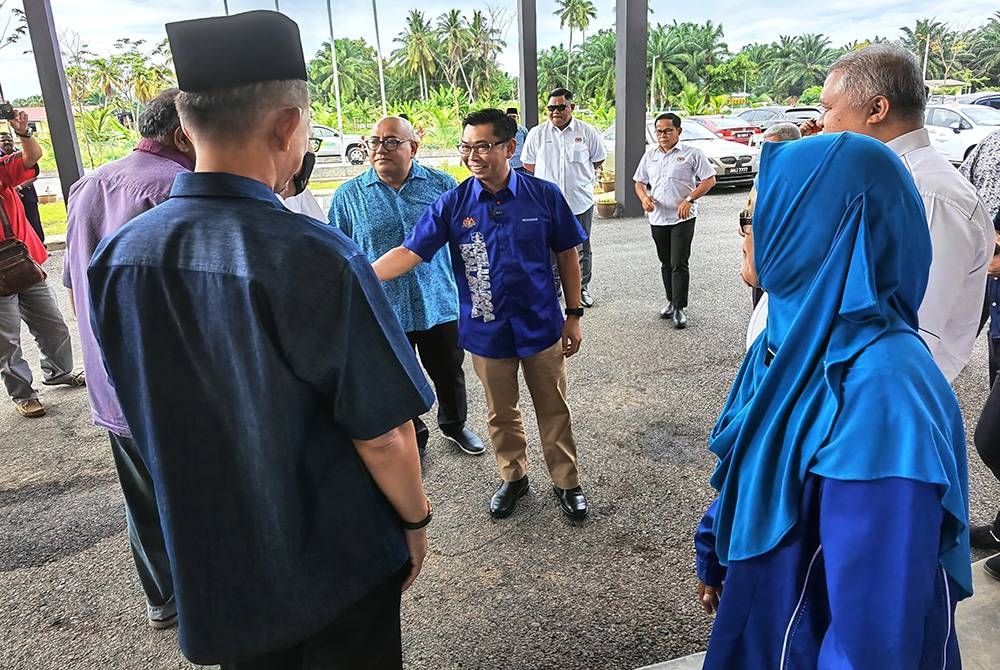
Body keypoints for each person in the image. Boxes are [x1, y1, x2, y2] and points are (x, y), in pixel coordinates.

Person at [87, 11, 433, 668]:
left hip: (217, 565)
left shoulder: (119, 254)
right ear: (286, 127)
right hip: (333, 567)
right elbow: (385, 435)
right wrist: (414, 522)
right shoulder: (316, 256)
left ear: (186, 123)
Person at [695, 132, 971, 669]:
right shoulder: (792, 339)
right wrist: (716, 548)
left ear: (814, 231)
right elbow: (756, 459)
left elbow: (874, 635)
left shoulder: (884, 394)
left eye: (756, 217)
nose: (745, 234)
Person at [373, 108, 590, 520]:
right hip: (486, 331)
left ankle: (567, 481)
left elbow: (567, 253)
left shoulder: (544, 195)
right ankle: (513, 476)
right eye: (467, 147)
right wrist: (363, 276)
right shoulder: (453, 204)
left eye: (484, 147)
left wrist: (574, 314)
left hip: (541, 326)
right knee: (500, 413)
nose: (473, 156)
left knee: (553, 408)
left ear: (509, 147)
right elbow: (410, 252)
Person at [63, 88, 194, 630]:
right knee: (194, 493)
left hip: (110, 382)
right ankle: (209, 599)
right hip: (170, 385)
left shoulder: (89, 185)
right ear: (184, 134)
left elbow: (73, 285)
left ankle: (163, 598)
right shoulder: (177, 191)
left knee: (141, 494)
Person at [791, 44, 992, 383]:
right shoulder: (883, 179)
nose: (821, 121)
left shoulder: (926, 194)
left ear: (877, 109)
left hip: (875, 392)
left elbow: (913, 328)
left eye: (827, 107)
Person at [330, 115, 485, 457]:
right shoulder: (348, 196)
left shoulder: (442, 185)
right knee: (395, 376)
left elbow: (465, 241)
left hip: (438, 300)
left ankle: (454, 424)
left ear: (413, 148)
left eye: (391, 142)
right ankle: (414, 432)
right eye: (374, 141)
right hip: (384, 307)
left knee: (448, 370)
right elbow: (340, 251)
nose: (380, 149)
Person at [0, 109, 85, 419]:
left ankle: (59, 372)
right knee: (7, 341)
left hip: (25, 263)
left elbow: (31, 157)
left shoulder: (2, 170)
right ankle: (23, 394)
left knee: (52, 323)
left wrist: (23, 132)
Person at [521, 88, 606, 308]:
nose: (555, 111)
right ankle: (554, 288)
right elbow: (529, 164)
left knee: (582, 247)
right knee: (548, 249)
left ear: (572, 107)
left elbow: (598, 159)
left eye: (560, 107)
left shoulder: (587, 131)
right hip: (546, 205)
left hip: (579, 202)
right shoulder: (537, 133)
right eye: (551, 107)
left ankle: (581, 289)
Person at [632, 113, 716, 329]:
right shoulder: (650, 156)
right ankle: (670, 301)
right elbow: (639, 182)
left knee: (679, 262)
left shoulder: (692, 154)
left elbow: (709, 180)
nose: (663, 135)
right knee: (666, 262)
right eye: (659, 131)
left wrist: (690, 199)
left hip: (682, 218)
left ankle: (679, 307)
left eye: (668, 130)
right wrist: (644, 198)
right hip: (658, 217)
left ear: (678, 131)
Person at [739, 123, 801, 343]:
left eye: (772, 148)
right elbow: (749, 214)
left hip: (785, 261)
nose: (767, 154)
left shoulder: (802, 177)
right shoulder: (765, 175)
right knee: (761, 309)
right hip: (761, 257)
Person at [0, 130, 43, 242]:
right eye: (3, 141)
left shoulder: (4, 165)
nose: (6, 142)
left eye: (9, 140)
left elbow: (33, 156)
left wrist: (23, 132)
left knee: (34, 222)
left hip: (13, 248)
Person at [507, 107, 529, 173]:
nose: (512, 118)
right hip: (506, 164)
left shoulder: (523, 130)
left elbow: (527, 146)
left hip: (519, 164)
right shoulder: (502, 130)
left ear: (517, 117)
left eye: (514, 116)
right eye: (509, 116)